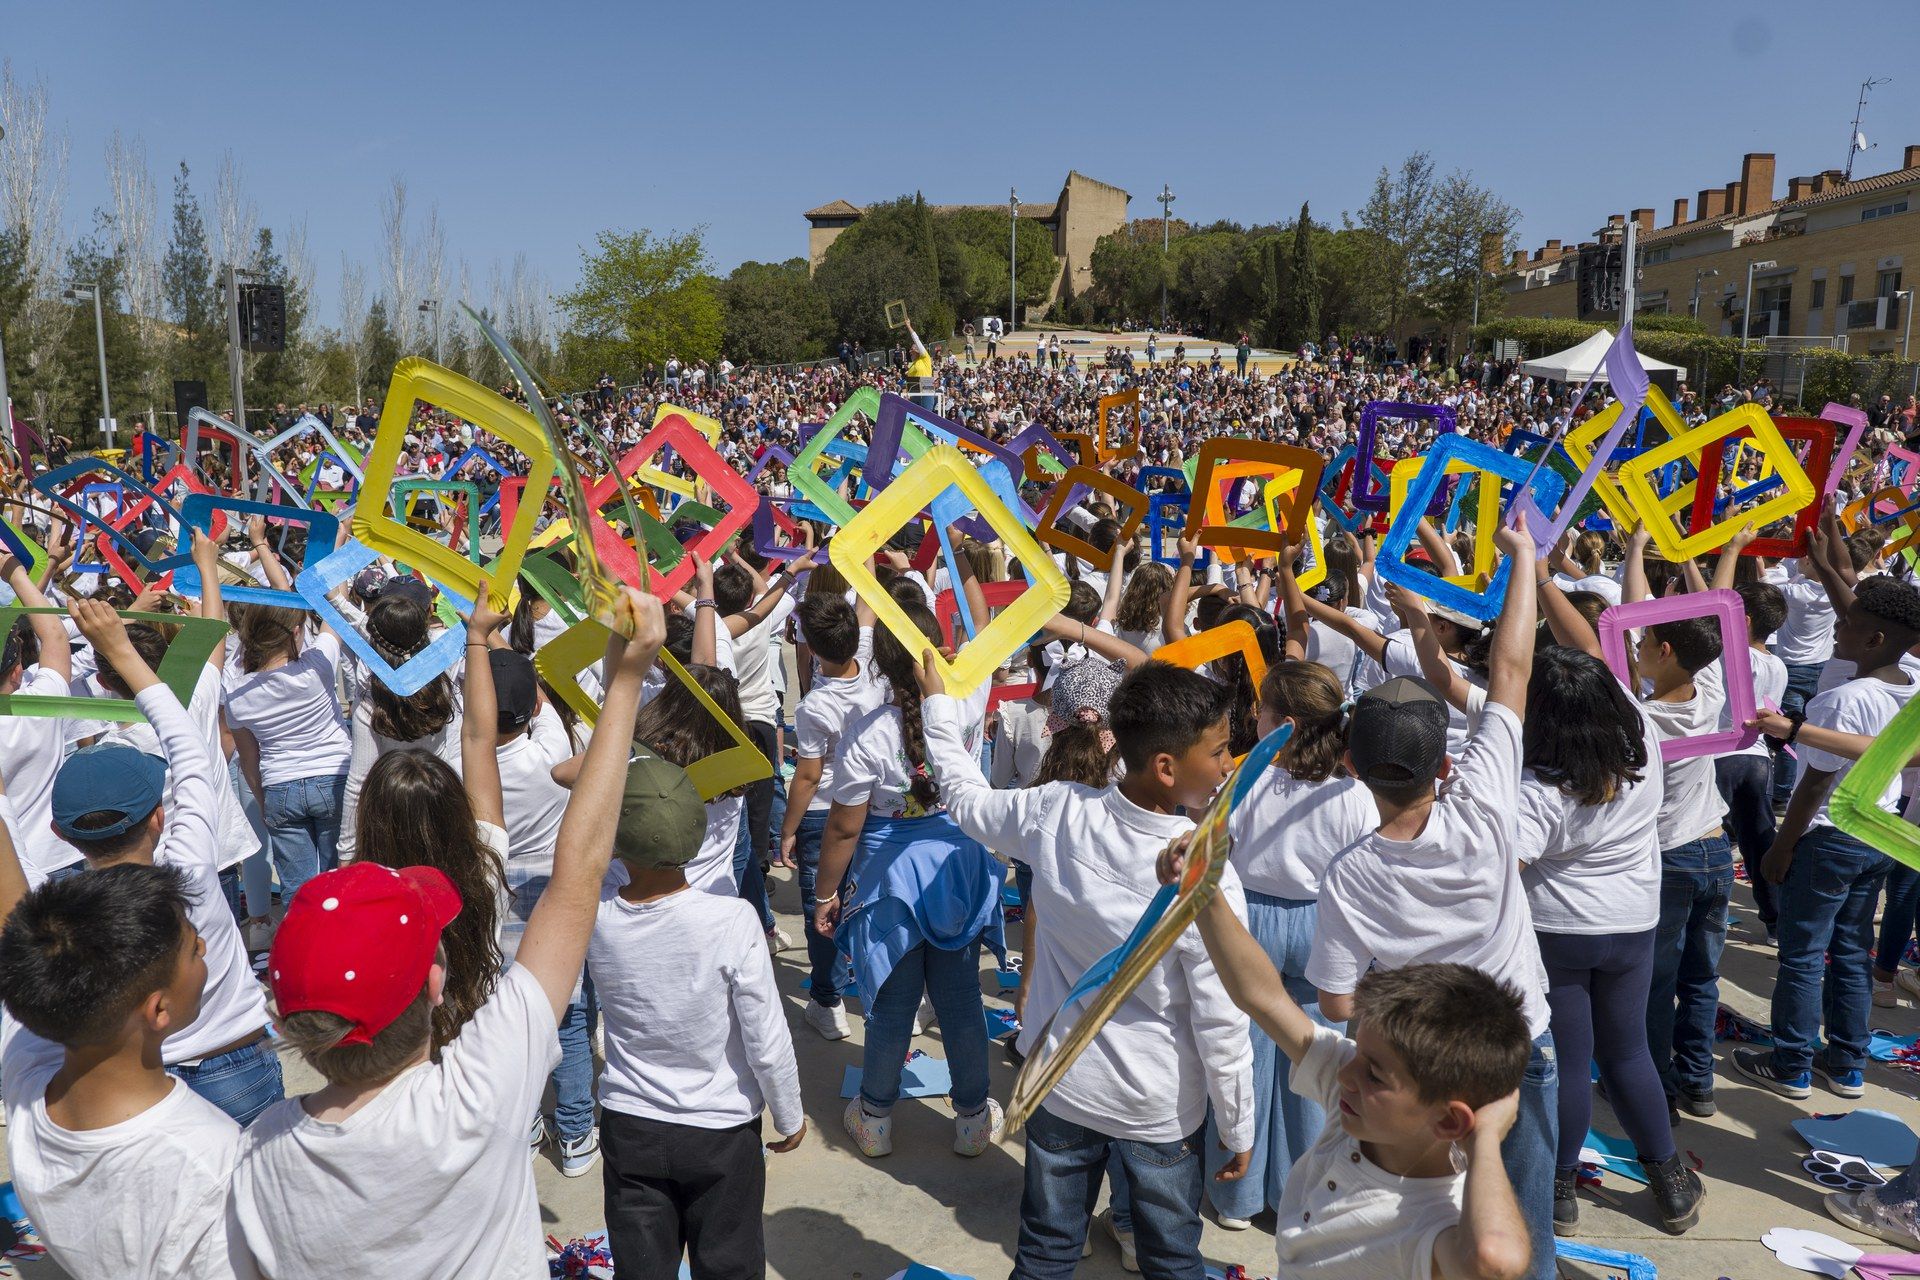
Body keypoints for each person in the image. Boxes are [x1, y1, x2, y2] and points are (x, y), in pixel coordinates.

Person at [229, 588, 665, 1279]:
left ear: (285, 1010)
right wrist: (624, 677)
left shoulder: (256, 1156)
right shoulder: (484, 1087)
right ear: (433, 980)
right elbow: (575, 869)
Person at [924, 658, 1253, 1280]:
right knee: (1171, 1259)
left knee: (1047, 1248)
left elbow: (966, 799)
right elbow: (1222, 1019)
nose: (1229, 762)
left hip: (1061, 1083)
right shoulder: (1207, 879)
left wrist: (939, 708)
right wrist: (1237, 1124)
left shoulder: (1058, 812)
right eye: (1218, 750)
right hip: (1155, 1104)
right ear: (1166, 767)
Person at [1306, 515, 1560, 1280]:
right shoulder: (1484, 799)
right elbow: (1512, 671)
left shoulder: (1348, 874)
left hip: (1417, 1074)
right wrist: (1522, 559)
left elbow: (1337, 1006)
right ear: (1445, 764)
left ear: (1351, 768)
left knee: (1428, 1231)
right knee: (1523, 1219)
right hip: (1520, 1049)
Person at [1167, 828, 1532, 1280]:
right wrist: (1205, 895)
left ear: (1450, 1121)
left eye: (1375, 1074)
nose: (1347, 1074)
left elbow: (1497, 1259)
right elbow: (1264, 998)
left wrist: (1486, 1140)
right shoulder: (1357, 1112)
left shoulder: (1434, 1223)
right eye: (1360, 1054)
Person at [0, 769, 257, 1279]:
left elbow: (11, 916)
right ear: (158, 1010)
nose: (203, 946)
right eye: (190, 948)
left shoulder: (28, 1072)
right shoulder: (212, 1163)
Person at [49, 592, 283, 1126]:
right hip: (235, 1058)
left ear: (61, 833)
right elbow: (190, 752)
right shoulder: (192, 871)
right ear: (160, 815)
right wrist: (121, 646)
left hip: (144, 1077)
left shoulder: (65, 923)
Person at [589, 731, 805, 1279]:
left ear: (617, 842)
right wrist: (788, 1112)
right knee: (728, 1265)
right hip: (722, 1135)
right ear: (701, 830)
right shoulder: (731, 920)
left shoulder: (596, 920)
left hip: (629, 1124)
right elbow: (766, 1034)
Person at [813, 596, 1006, 1160]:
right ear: (939, 652)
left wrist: (826, 894)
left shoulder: (867, 731)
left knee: (891, 1006)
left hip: (887, 883)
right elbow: (985, 623)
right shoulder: (970, 700)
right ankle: (973, 1120)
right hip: (957, 871)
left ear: (882, 661)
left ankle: (875, 1117)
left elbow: (844, 830)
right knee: (962, 1000)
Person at [1734, 568, 1920, 1099]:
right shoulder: (1912, 686)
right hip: (1878, 834)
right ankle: (1847, 1063)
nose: (1837, 628)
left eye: (1849, 622)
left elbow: (1814, 785)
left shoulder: (1842, 699)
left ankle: (1791, 1062)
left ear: (1874, 639)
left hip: (1827, 837)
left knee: (1802, 954)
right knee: (1852, 949)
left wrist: (1781, 845)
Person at [1204, 659, 1374, 1228]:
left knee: (1241, 1054)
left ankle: (1235, 1195)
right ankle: (1300, 1194)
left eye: (1264, 710)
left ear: (1285, 722)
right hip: (1323, 926)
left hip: (1249, 919)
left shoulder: (1246, 779)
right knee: (1315, 1060)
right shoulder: (1354, 796)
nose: (1255, 716)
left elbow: (1216, 843)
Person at [779, 593, 883, 1040]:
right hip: (874, 808)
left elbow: (806, 775)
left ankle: (827, 1001)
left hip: (823, 811)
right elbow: (868, 608)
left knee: (821, 909)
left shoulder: (813, 707)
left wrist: (787, 829)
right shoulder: (876, 671)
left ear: (814, 649)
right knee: (866, 902)